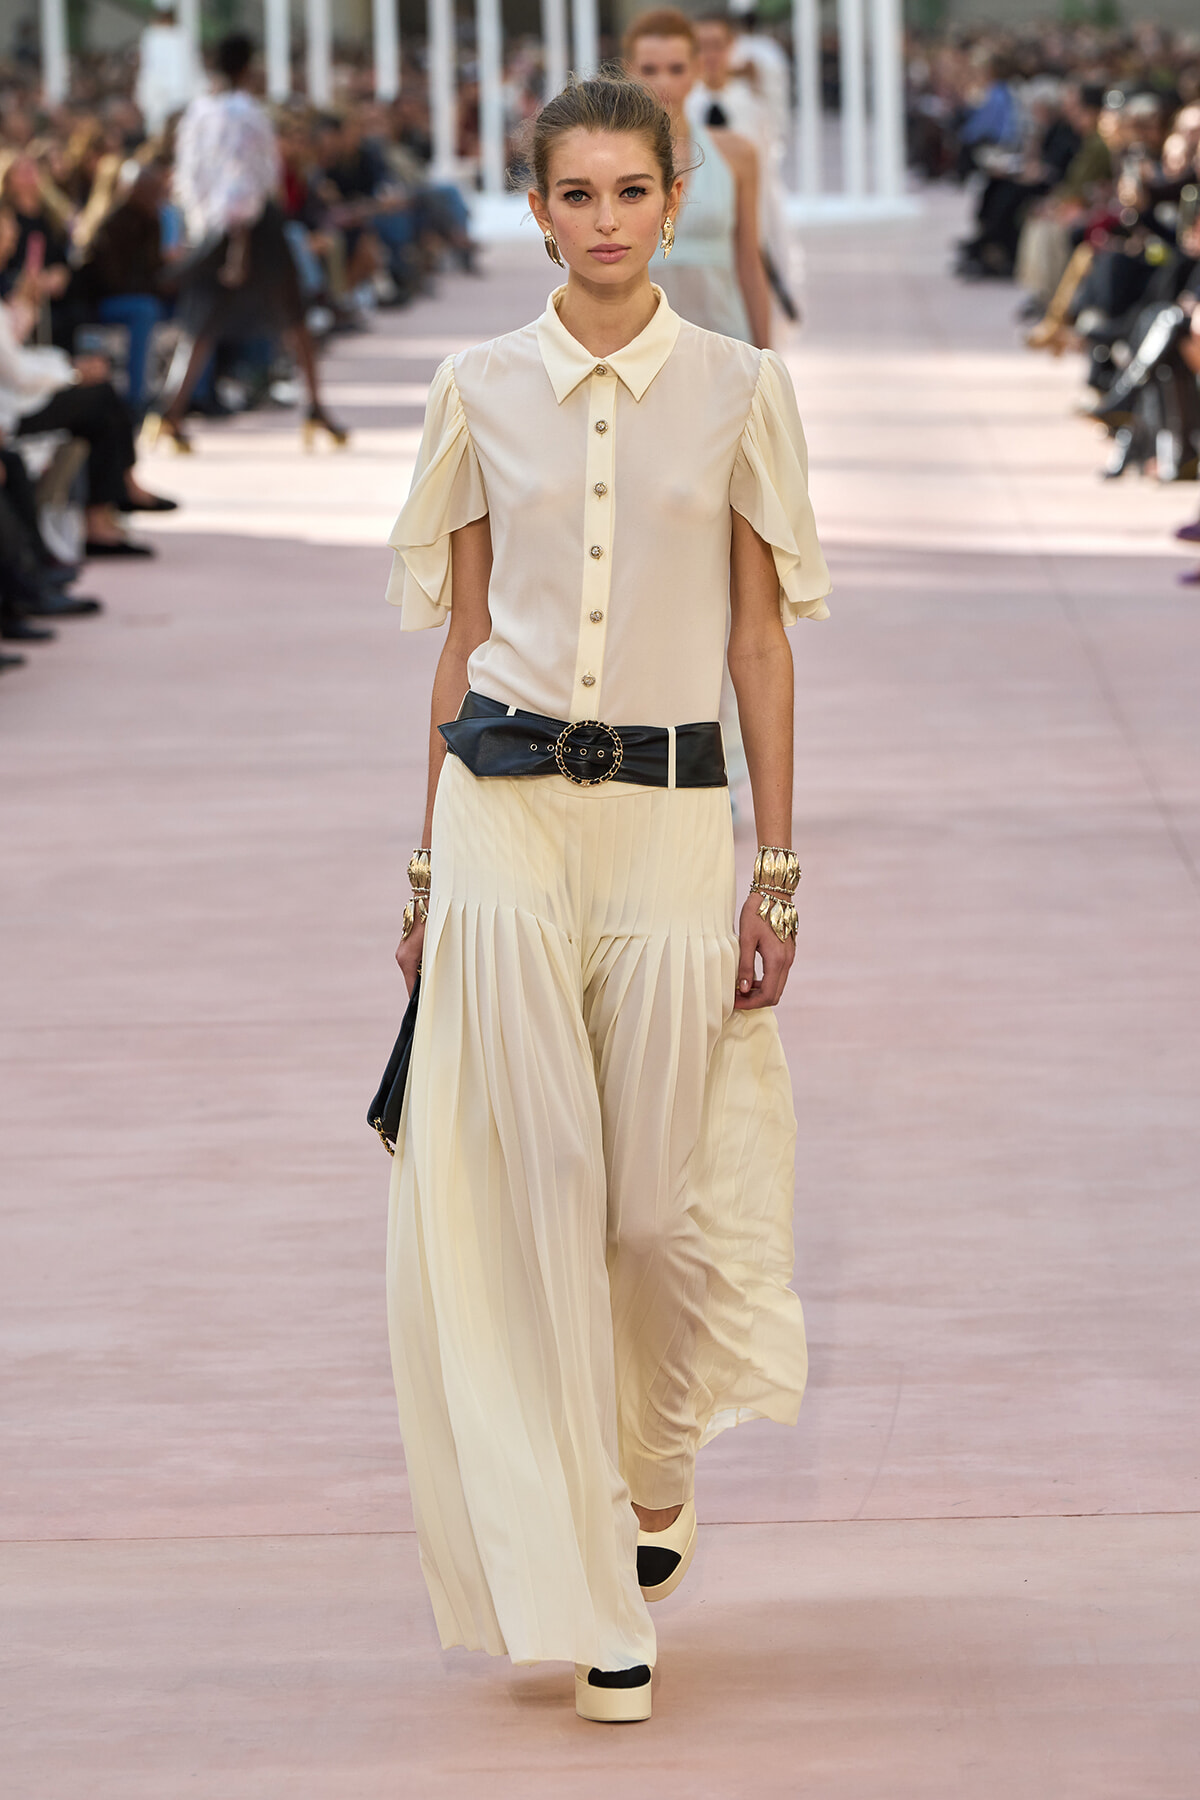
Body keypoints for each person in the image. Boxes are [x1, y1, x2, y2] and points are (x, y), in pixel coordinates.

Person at [384, 72, 829, 1723]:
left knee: (649, 1209)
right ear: (537, 210)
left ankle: (653, 1467)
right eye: (572, 195)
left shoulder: (737, 390)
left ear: (669, 198)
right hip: (503, 817)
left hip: (665, 831)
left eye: (627, 192)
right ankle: (590, 1594)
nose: (603, 222)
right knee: (531, 1199)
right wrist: (428, 858)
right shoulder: (476, 387)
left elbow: (761, 643)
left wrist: (775, 865)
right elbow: (459, 637)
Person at [151, 32, 344, 453]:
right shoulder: (247, 113)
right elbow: (251, 177)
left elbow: (189, 179)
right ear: (247, 67)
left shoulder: (196, 114)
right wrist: (238, 242)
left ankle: (170, 412)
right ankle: (314, 408)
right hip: (251, 227)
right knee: (295, 316)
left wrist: (202, 230)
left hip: (212, 228)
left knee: (201, 324)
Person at [0, 202, 174, 556]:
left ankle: (107, 507)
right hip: (12, 409)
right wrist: (72, 372)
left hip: (20, 396)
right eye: (5, 232)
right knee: (100, 401)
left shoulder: (9, 282)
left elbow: (14, 352)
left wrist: (68, 364)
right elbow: (13, 369)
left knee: (103, 399)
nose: (11, 239)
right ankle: (106, 508)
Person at [625, 8, 770, 348]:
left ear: (697, 70)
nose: (663, 82)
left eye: (676, 68)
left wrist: (768, 361)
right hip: (637, 348)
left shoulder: (738, 154)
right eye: (650, 69)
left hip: (723, 342)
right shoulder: (609, 162)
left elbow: (750, 262)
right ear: (630, 72)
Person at [134, 0, 204, 140]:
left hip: (183, 100)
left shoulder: (182, 35)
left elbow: (192, 69)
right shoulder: (151, 36)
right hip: (159, 101)